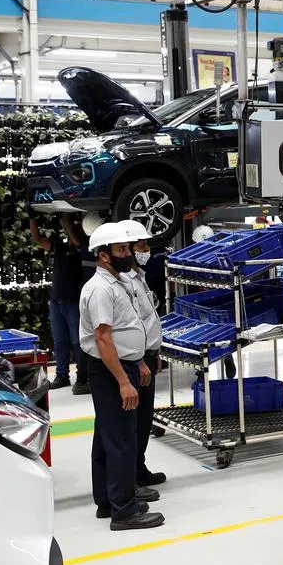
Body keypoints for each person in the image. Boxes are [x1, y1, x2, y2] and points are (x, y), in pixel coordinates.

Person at [79, 222, 163, 530]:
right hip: (111, 370)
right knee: (121, 440)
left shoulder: (115, 283)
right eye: (122, 250)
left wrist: (138, 361)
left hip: (120, 365)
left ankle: (108, 500)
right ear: (104, 256)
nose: (129, 254)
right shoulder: (102, 289)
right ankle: (124, 511)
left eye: (128, 249)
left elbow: (128, 328)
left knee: (107, 437)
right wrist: (124, 381)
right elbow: (103, 338)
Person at [121, 220, 167, 488]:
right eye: (142, 244)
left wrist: (155, 352)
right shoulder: (125, 281)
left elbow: (148, 320)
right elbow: (128, 326)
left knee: (144, 417)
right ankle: (131, 477)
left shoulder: (139, 276)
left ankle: (139, 467)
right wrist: (139, 360)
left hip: (147, 356)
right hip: (135, 360)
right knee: (133, 421)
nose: (146, 249)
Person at [30, 214, 90, 394]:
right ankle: (62, 375)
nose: (70, 228)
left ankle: (82, 376)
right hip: (56, 302)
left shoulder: (84, 247)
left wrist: (66, 220)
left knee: (78, 341)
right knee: (60, 342)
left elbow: (74, 236)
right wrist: (32, 218)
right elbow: (38, 239)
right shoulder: (59, 247)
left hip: (73, 301)